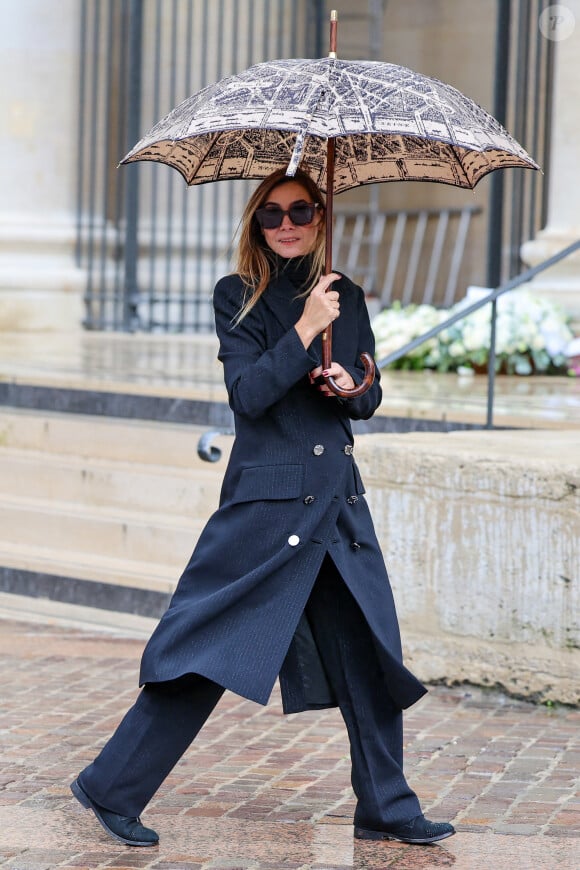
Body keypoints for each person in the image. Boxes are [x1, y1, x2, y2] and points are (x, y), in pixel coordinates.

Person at [70, 168, 455, 848]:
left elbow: (367, 397)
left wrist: (347, 381)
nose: (286, 223)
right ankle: (111, 786)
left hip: (336, 507)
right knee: (208, 649)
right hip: (267, 508)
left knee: (369, 656)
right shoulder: (236, 297)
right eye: (271, 214)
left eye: (300, 210)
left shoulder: (344, 294)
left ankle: (387, 807)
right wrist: (305, 329)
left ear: (319, 218)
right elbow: (248, 395)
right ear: (255, 225)